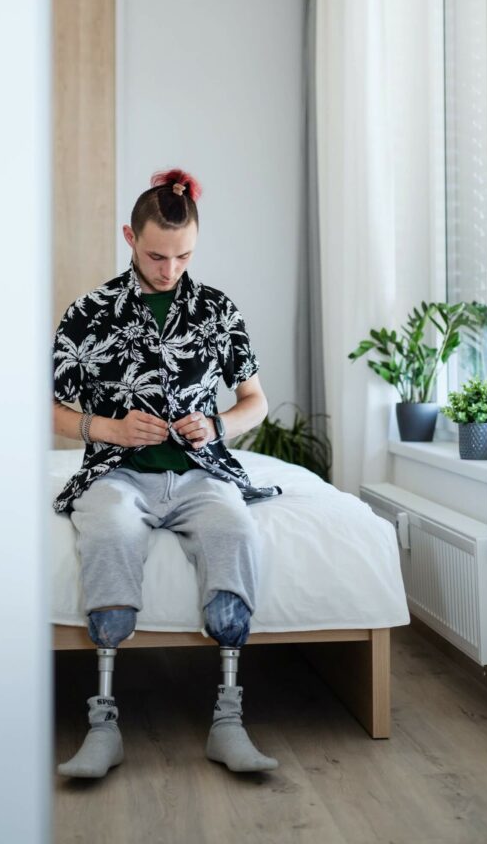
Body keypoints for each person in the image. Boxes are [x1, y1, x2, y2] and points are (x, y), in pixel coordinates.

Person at [52, 168, 282, 780]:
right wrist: (109, 428)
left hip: (201, 475)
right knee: (109, 535)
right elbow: (49, 407)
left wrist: (218, 424)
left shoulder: (217, 310)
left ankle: (228, 721)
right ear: (129, 236)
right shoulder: (89, 312)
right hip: (117, 475)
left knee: (234, 532)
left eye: (183, 256)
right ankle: (104, 725)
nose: (169, 269)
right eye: (156, 255)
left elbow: (254, 399)